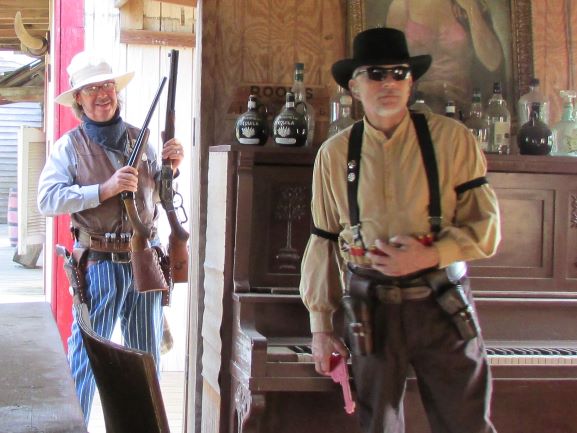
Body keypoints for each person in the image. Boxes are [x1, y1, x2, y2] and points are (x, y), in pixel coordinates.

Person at [299, 28, 501, 433]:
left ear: (411, 83)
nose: (389, 83)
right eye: (376, 74)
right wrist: (320, 327)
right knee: (379, 426)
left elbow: (486, 229)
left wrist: (430, 254)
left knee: (466, 425)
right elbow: (323, 241)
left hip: (442, 304)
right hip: (372, 311)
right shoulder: (334, 155)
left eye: (399, 73)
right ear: (354, 88)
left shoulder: (453, 140)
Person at [37, 51, 184, 423]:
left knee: (145, 359)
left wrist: (171, 169)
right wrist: (103, 190)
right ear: (79, 99)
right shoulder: (68, 146)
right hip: (98, 263)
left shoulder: (141, 139)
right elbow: (48, 199)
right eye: (91, 89)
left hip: (143, 261)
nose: (102, 94)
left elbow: (158, 197)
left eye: (107, 86)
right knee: (87, 360)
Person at [384, 0, 505, 114]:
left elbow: (493, 62)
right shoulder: (402, 5)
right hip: (419, 105)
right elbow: (390, 68)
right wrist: (424, 88)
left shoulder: (466, 5)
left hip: (463, 105)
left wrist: (471, 9)